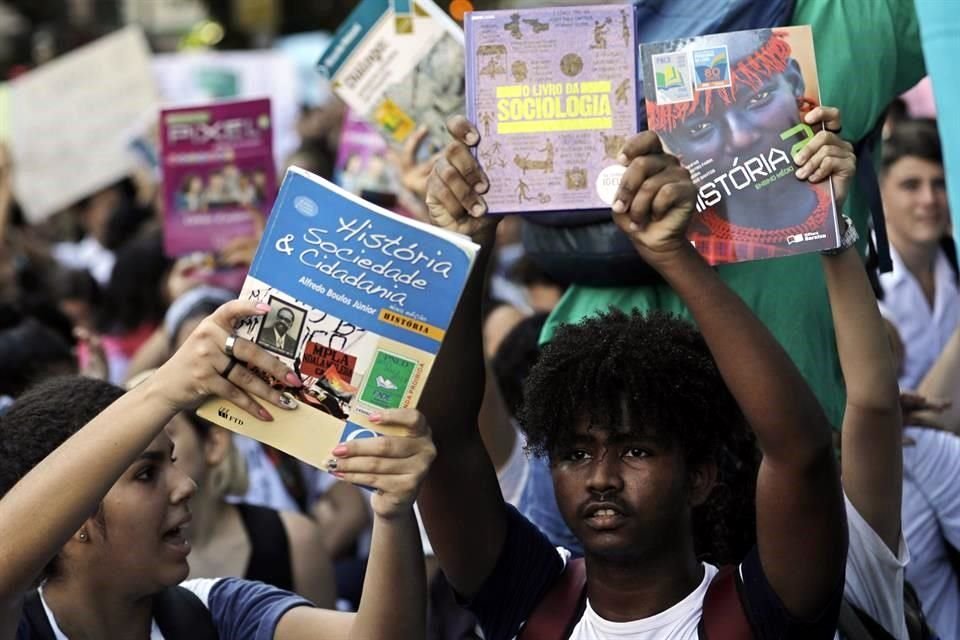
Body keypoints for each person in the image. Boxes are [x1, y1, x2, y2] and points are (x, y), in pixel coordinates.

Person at [376, 113, 851, 638]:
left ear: (700, 475)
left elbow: (800, 452)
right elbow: (443, 444)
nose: (601, 479)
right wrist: (465, 249)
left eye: (635, 450)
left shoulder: (757, 612)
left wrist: (673, 256)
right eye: (576, 453)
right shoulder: (529, 603)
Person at [0, 299, 434, 640]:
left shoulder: (217, 614)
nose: (185, 486)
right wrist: (161, 391)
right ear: (72, 516)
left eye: (171, 462)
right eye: (146, 474)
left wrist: (393, 511)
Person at [161, 408, 337, 608]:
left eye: (165, 432)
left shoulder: (294, 538)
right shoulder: (126, 555)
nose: (147, 449)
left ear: (214, 444)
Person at [876, 119, 957, 391]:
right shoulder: (859, 280)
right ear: (880, 194)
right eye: (911, 185)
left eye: (940, 184)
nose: (929, 199)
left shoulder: (954, 260)